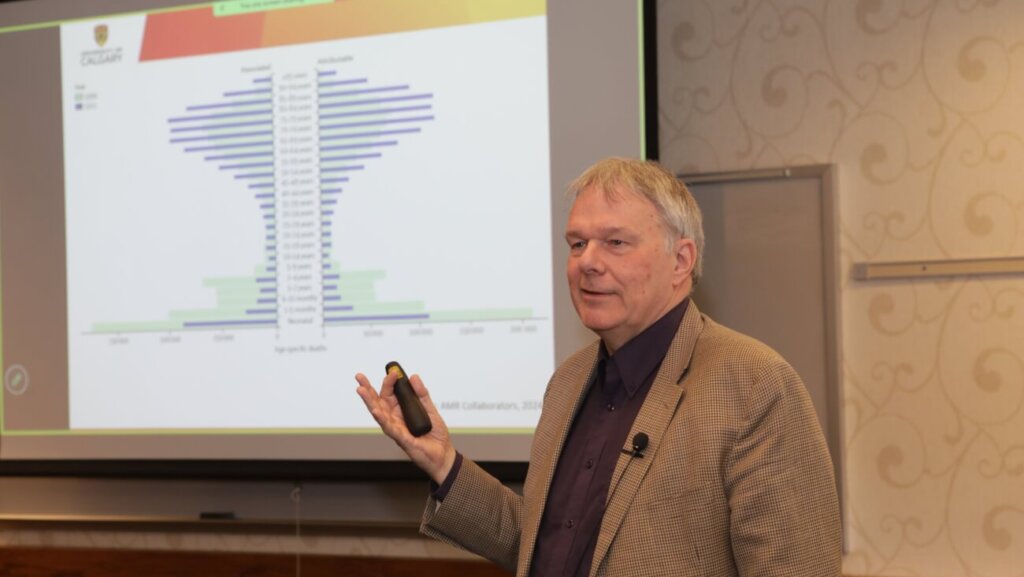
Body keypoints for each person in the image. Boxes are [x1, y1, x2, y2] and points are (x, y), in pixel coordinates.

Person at [355, 158, 842, 577]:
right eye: (576, 244)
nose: (587, 262)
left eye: (615, 243)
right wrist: (443, 463)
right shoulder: (568, 382)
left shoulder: (753, 385)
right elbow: (540, 546)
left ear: (681, 260)